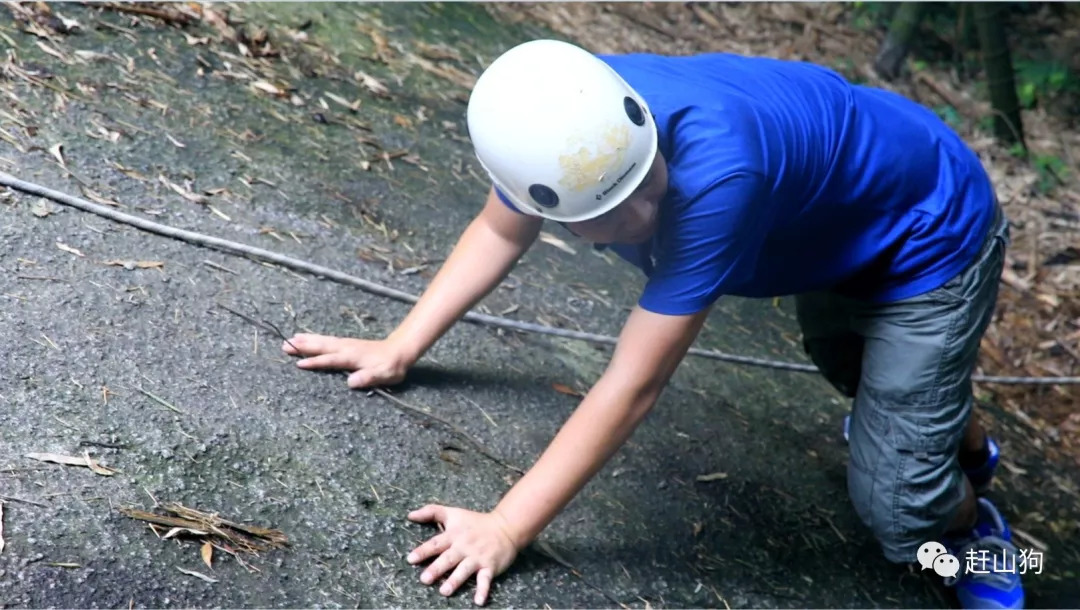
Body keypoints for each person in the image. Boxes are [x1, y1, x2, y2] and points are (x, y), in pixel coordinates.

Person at [283, 39, 1024, 608]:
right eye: (605, 215)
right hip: (839, 228)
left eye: (642, 185)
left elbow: (634, 384)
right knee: (853, 371)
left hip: (931, 231)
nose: (641, 220)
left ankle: (978, 532)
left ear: (639, 128)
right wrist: (400, 344)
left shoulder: (707, 171)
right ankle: (947, 428)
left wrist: (508, 526)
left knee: (902, 508)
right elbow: (500, 230)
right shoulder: (555, 124)